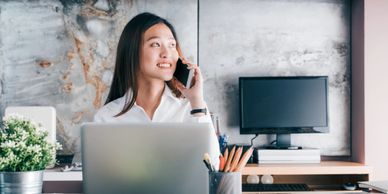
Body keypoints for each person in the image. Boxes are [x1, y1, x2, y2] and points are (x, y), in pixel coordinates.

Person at [94, 12, 220, 166]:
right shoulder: (107, 117)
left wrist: (197, 102)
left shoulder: (191, 108)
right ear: (132, 52)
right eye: (155, 44)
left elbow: (213, 166)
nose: (167, 53)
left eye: (172, 45)